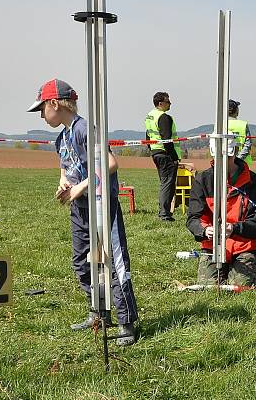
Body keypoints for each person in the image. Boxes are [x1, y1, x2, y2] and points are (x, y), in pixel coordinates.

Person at [28, 79, 139, 345]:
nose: (41, 115)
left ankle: (127, 322)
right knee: (81, 261)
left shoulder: (86, 130)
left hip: (103, 205)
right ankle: (98, 311)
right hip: (80, 209)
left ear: (55, 103)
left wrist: (80, 188)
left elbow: (110, 163)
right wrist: (64, 184)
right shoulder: (61, 138)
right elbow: (65, 169)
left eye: (42, 108)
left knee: (114, 263)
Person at [186, 136, 256, 285]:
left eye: (228, 157)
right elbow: (193, 217)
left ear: (235, 152)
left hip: (245, 245)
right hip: (213, 245)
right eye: (219, 157)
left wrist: (235, 228)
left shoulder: (253, 181)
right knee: (208, 288)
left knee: (240, 286)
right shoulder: (202, 180)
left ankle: (255, 265)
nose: (223, 162)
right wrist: (205, 230)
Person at [145, 91, 182, 221]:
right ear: (160, 103)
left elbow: (148, 135)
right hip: (165, 154)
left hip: (156, 152)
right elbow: (167, 139)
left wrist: (151, 149)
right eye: (168, 101)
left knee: (164, 182)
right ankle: (164, 214)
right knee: (168, 183)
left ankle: (164, 211)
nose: (170, 103)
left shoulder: (150, 116)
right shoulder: (164, 117)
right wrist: (174, 157)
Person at [227, 99, 253, 165]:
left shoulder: (219, 125)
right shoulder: (243, 124)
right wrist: (238, 159)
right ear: (237, 111)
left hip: (223, 161)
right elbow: (248, 144)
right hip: (242, 163)